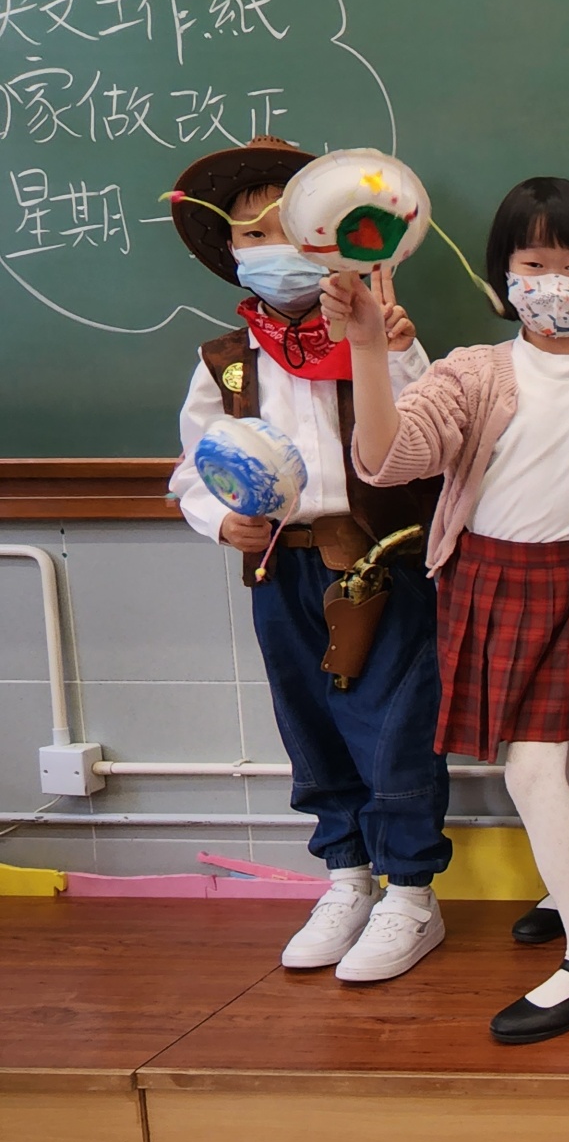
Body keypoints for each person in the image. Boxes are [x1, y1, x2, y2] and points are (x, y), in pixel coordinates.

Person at [326, 177, 569, 1044]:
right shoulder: (474, 372)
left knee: (532, 770)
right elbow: (389, 459)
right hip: (487, 579)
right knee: (546, 765)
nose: (556, 283)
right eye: (534, 264)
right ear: (503, 274)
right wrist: (367, 350)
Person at [167, 136, 450, 984]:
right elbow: (192, 470)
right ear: (230, 252)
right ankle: (347, 878)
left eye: (287, 228)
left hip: (382, 564)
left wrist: (387, 346)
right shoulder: (227, 365)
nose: (272, 248)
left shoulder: (378, 334)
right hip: (281, 572)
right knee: (310, 727)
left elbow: (430, 436)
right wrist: (223, 521)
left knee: (396, 729)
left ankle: (411, 893)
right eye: (251, 235)